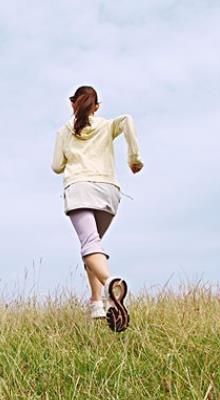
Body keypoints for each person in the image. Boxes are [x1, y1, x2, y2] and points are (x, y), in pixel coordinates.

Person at [51, 85, 143, 332]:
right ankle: (96, 303)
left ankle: (110, 282)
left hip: (80, 190)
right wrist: (134, 159)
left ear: (72, 104)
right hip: (108, 192)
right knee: (93, 247)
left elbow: (57, 166)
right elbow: (127, 120)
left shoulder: (64, 131)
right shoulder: (105, 125)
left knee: (89, 244)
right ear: (97, 107)